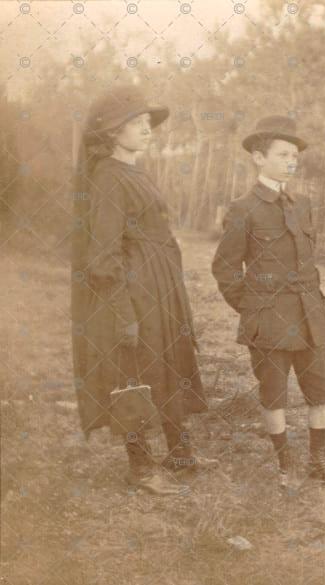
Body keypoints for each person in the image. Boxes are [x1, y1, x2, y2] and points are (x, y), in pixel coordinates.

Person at [71, 85, 216, 496]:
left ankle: (180, 453)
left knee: (169, 364)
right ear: (113, 133)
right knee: (133, 373)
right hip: (134, 293)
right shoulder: (108, 179)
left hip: (159, 286)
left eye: (147, 122)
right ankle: (140, 467)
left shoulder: (135, 171)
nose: (147, 129)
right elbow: (101, 256)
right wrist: (123, 312)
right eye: (136, 123)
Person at [211, 115, 325, 490]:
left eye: (295, 156)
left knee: (322, 389)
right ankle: (285, 465)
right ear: (258, 157)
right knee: (274, 394)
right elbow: (225, 268)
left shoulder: (303, 204)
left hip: (308, 315)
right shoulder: (243, 208)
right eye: (283, 154)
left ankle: (318, 461)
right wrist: (254, 309)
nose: (291, 161)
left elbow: (308, 260)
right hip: (268, 321)